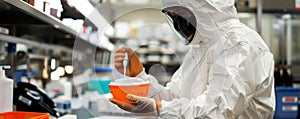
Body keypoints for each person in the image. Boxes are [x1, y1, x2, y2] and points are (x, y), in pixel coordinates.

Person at [110, 0, 275, 118]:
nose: (178, 24)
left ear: (205, 8)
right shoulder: (199, 48)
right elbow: (176, 97)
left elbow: (217, 111)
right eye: (173, 17)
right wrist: (140, 78)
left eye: (181, 15)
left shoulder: (239, 45)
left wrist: (158, 108)